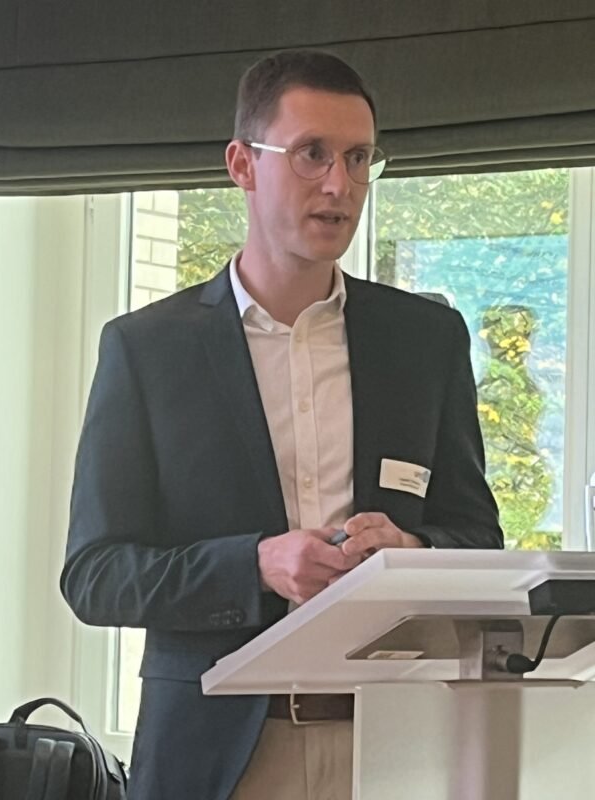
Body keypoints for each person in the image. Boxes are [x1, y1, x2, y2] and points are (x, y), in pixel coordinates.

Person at [61, 49, 503, 800]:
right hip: (217, 758)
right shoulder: (147, 349)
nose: (339, 185)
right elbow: (95, 575)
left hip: (398, 748)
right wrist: (256, 565)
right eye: (311, 154)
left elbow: (477, 538)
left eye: (359, 158)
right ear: (243, 165)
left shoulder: (427, 341)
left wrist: (412, 552)